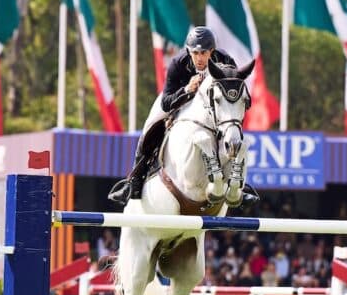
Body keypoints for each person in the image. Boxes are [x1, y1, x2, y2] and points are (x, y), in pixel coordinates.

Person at [108, 26, 256, 205]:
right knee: (151, 123)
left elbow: (231, 94)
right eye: (196, 53)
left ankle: (239, 183)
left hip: (212, 109)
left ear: (212, 51)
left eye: (204, 53)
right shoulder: (178, 63)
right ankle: (135, 179)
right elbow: (166, 101)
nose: (200, 58)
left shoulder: (224, 60)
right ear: (189, 51)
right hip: (180, 101)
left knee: (231, 132)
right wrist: (187, 90)